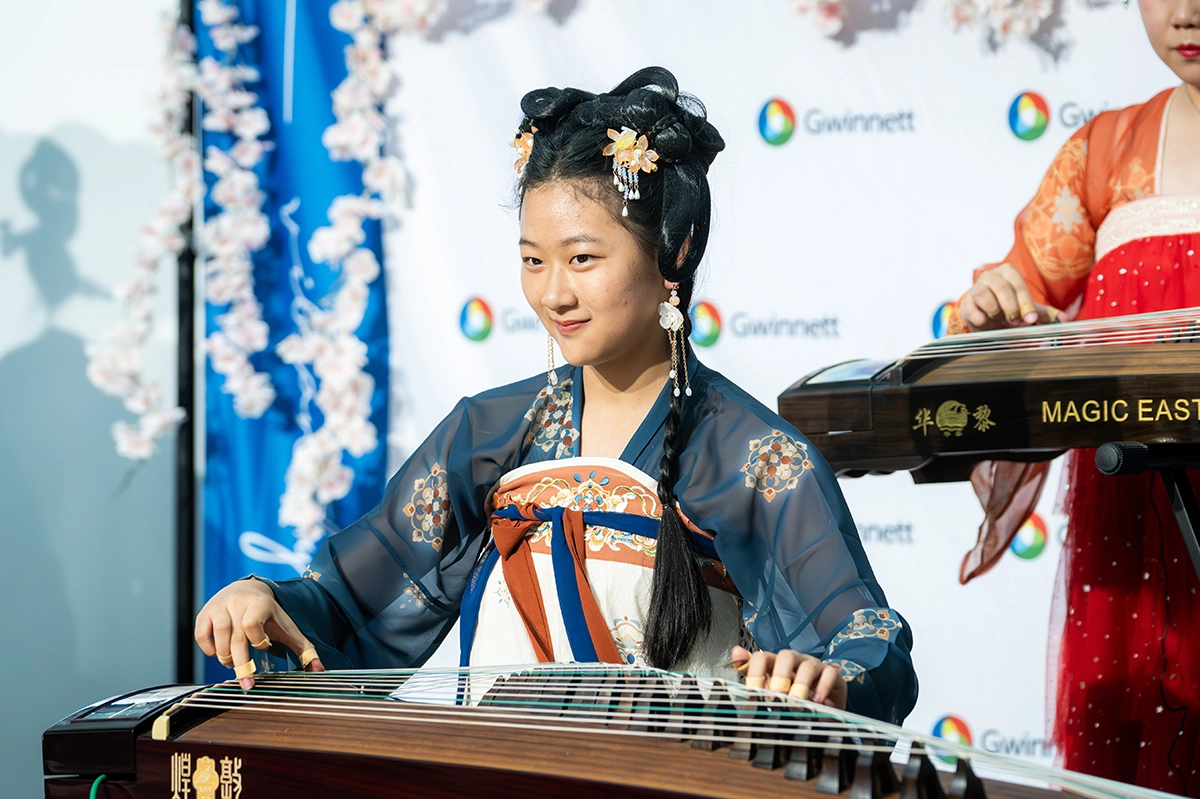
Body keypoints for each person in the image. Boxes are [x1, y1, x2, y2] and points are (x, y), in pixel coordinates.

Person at [195, 67, 918, 724]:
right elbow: (351, 599)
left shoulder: (756, 458)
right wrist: (266, 600)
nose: (552, 292)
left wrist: (826, 676)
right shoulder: (488, 432)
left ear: (675, 251)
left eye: (582, 259)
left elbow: (865, 638)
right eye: (533, 261)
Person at [945, 0, 1200, 790]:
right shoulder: (1102, 152)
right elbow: (1019, 296)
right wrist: (1000, 307)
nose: (1188, 11)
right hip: (1134, 535)